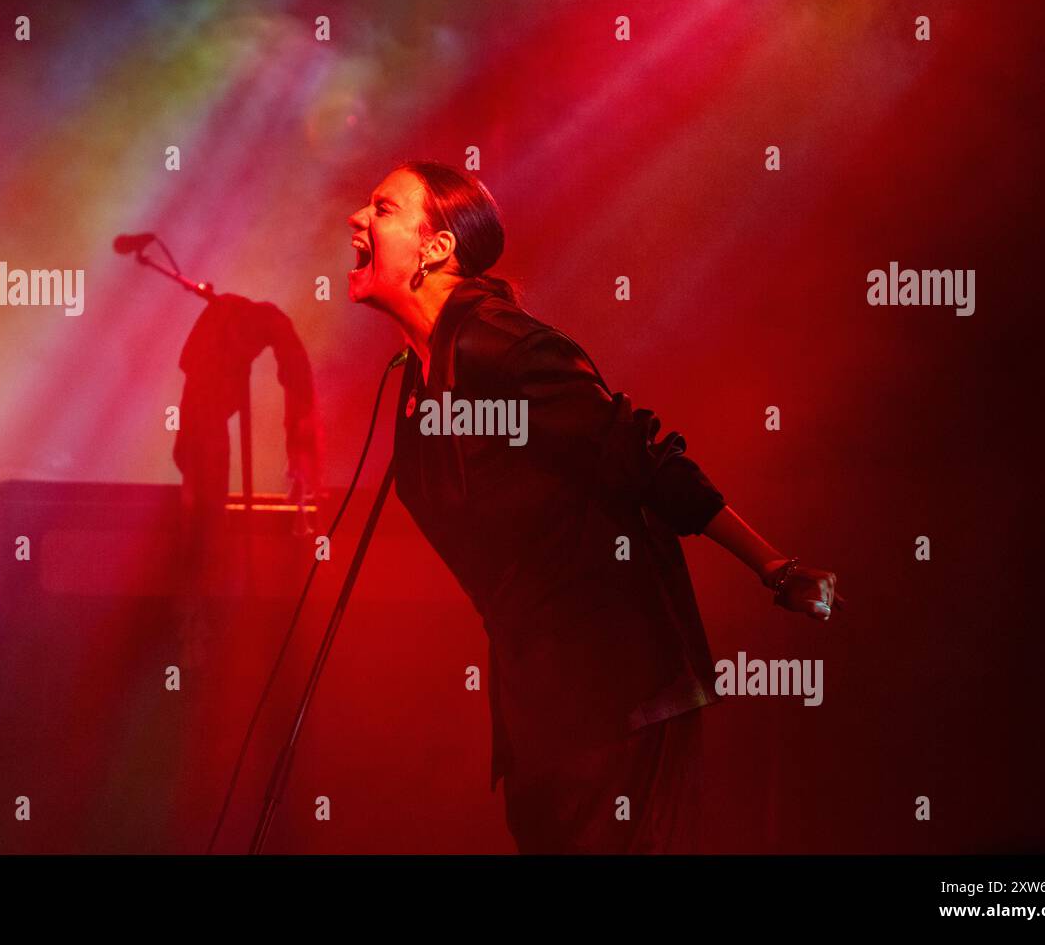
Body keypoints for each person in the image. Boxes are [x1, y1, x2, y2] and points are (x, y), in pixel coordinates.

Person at [346, 160, 845, 853]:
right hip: (542, 705)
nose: (357, 219)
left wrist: (776, 567)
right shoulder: (418, 384)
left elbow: (638, 453)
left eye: (384, 207)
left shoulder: (498, 341)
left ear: (437, 249)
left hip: (617, 691)